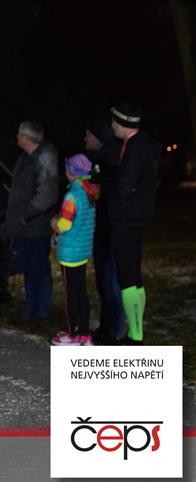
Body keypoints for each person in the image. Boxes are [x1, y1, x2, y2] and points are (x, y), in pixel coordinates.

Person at [109, 103, 160, 344]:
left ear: (123, 123)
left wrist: (106, 183)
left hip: (127, 219)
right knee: (134, 277)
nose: (111, 125)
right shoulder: (143, 144)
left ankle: (135, 337)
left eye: (114, 121)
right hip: (138, 217)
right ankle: (135, 333)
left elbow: (124, 185)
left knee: (127, 277)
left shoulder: (135, 148)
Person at [5, 121, 58, 328]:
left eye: (20, 134)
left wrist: (26, 215)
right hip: (24, 227)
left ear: (27, 138)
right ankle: (30, 310)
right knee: (28, 269)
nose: (17, 137)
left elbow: (47, 194)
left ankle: (42, 312)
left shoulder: (44, 158)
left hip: (36, 226)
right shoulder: (24, 159)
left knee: (40, 270)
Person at [50, 154, 99, 346]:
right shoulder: (89, 193)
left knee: (71, 294)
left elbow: (64, 224)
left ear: (71, 172)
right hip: (83, 250)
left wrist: (54, 223)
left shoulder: (72, 196)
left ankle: (72, 334)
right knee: (81, 292)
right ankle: (85, 334)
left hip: (70, 252)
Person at [84, 118, 124, 344]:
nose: (85, 138)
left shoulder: (110, 162)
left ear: (99, 138)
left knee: (109, 280)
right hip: (100, 228)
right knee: (103, 280)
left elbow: (111, 195)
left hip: (109, 229)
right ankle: (107, 325)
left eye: (88, 134)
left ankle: (115, 328)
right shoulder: (96, 160)